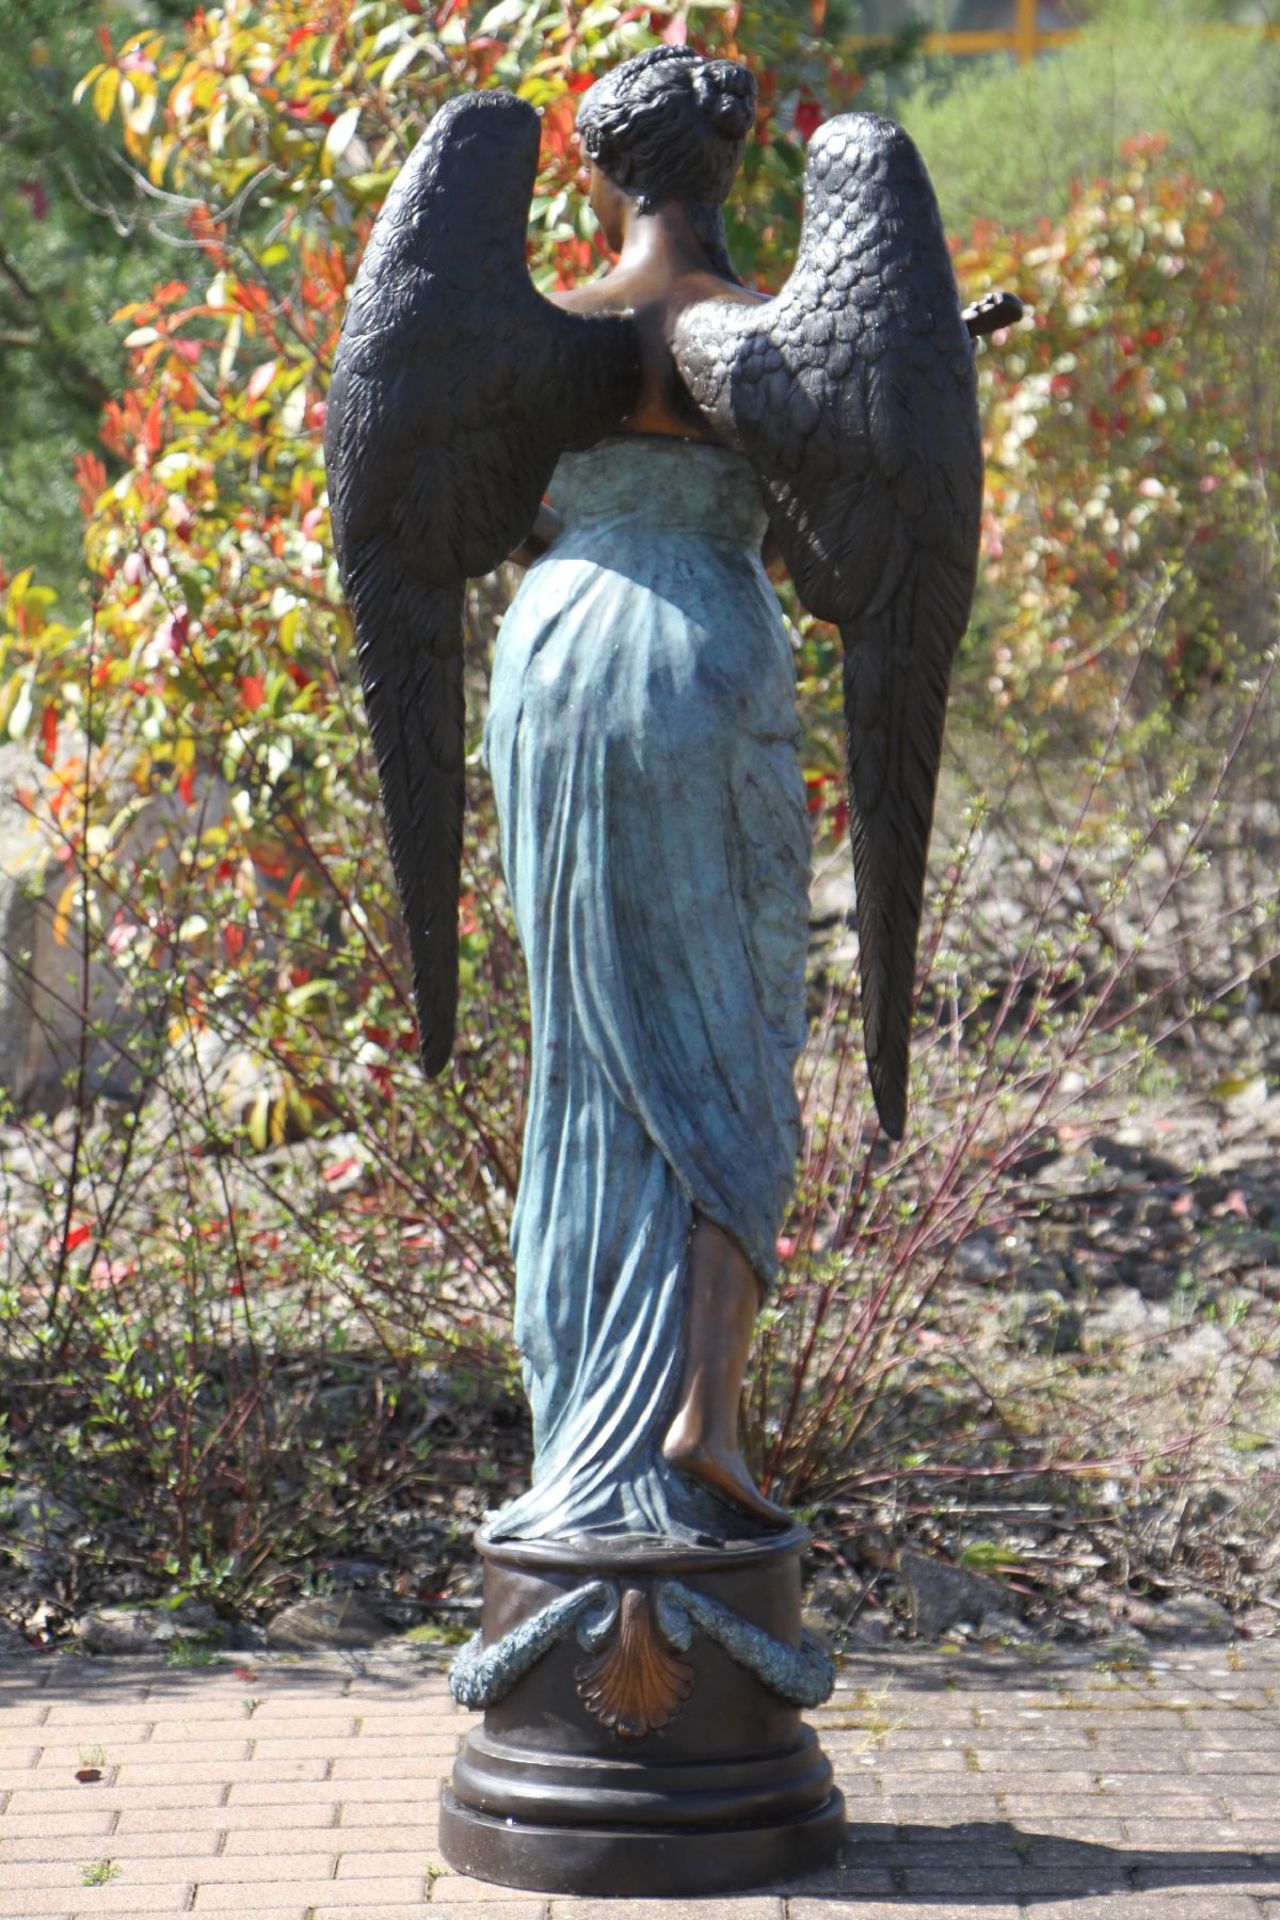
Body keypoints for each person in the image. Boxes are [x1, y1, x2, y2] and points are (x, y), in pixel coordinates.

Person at [484, 47, 807, 1542]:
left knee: (582, 1050)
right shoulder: (772, 333)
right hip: (706, 653)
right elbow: (834, 533)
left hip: (559, 650)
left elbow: (480, 504)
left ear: (598, 175)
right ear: (729, 173)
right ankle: (698, 1415)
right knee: (737, 1032)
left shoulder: (546, 329)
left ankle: (585, 1453)